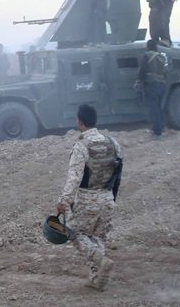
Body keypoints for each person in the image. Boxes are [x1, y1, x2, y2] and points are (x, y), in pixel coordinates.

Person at [56, 104, 120, 291]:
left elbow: (74, 177)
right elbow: (118, 172)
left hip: (87, 198)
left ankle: (99, 261)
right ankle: (97, 279)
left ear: (80, 122)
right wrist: (112, 196)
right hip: (107, 197)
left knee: (74, 233)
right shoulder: (112, 142)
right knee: (98, 236)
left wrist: (63, 201)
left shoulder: (81, 146)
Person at [134, 39, 167, 136]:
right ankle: (162, 127)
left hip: (152, 84)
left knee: (153, 108)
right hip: (162, 84)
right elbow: (165, 72)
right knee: (159, 107)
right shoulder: (160, 56)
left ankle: (157, 131)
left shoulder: (147, 55)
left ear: (148, 46)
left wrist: (138, 81)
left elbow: (142, 69)